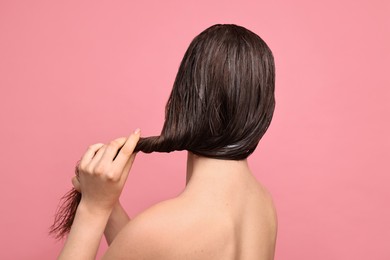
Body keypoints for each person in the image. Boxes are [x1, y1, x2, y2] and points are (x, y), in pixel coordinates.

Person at [57, 24, 277, 260]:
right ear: (262, 110)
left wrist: (93, 210)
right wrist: (109, 205)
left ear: (185, 101)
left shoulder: (160, 228)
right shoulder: (263, 206)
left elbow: (153, 244)